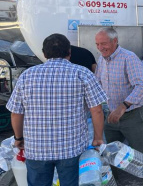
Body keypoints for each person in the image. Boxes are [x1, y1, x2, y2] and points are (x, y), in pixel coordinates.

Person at [7, 33, 107, 186]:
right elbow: (97, 110)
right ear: (69, 52)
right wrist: (98, 138)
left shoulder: (27, 76)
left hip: (36, 148)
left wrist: (19, 138)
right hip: (71, 149)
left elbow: (16, 112)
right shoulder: (83, 73)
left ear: (44, 53)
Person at [94, 27, 143, 185]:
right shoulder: (101, 59)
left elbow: (142, 86)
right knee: (108, 155)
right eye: (97, 44)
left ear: (115, 41)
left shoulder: (129, 57)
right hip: (110, 115)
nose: (100, 48)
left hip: (133, 115)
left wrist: (123, 106)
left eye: (104, 44)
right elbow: (98, 83)